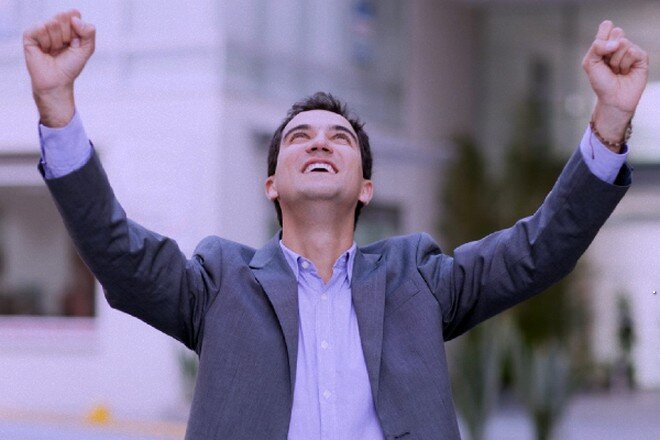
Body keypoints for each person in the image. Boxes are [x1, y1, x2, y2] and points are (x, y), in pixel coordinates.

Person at [24, 9, 648, 440]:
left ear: (366, 187)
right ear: (271, 184)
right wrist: (57, 107)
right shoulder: (218, 283)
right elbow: (116, 252)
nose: (320, 142)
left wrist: (611, 121)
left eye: (339, 137)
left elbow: (538, 250)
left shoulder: (420, 280)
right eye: (299, 137)